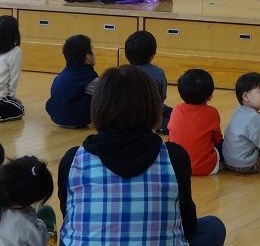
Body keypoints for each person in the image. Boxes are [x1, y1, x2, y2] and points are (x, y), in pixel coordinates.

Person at [57, 65, 226, 245]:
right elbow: (188, 225)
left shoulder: (73, 159)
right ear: (153, 106)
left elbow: (69, 215)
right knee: (213, 227)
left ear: (98, 106)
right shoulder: (174, 157)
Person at [168, 69, 224, 176]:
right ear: (210, 95)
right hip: (205, 168)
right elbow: (217, 139)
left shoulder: (176, 109)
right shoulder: (212, 112)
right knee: (224, 146)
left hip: (176, 167)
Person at [0, 153, 56, 246]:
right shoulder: (26, 226)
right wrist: (41, 226)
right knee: (44, 233)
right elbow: (38, 242)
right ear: (18, 205)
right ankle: (50, 235)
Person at [45, 35, 99, 128]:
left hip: (56, 117)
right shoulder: (90, 78)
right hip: (78, 118)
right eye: (92, 48)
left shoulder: (61, 75)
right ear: (88, 56)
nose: (95, 52)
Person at [124, 30, 172, 134]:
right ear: (152, 55)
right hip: (150, 115)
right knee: (176, 118)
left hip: (125, 114)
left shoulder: (121, 72)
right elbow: (162, 97)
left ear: (126, 54)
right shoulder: (158, 72)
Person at [0, 15, 24, 122]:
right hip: (1, 97)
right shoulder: (16, 52)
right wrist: (11, 97)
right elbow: (14, 77)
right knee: (20, 109)